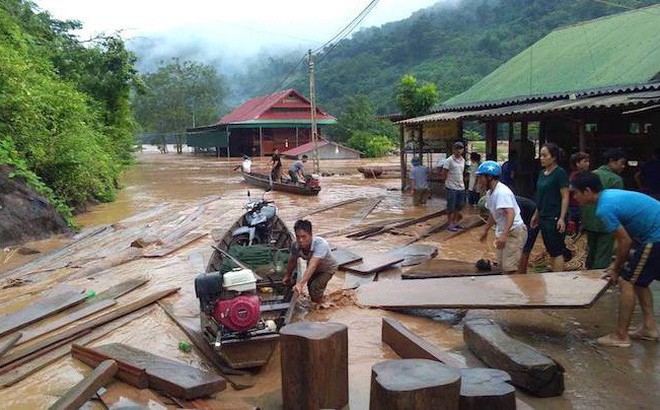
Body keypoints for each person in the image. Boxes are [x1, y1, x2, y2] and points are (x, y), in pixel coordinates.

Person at [571, 171, 660, 347]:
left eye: (576, 193)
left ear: (587, 191)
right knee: (640, 282)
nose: (575, 197)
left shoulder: (604, 209)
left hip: (655, 237)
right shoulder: (608, 197)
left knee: (626, 282)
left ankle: (621, 336)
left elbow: (624, 241)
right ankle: (649, 328)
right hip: (652, 235)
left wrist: (615, 268)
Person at [476, 161, 527, 275]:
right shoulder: (490, 193)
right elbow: (493, 214)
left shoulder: (501, 192)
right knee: (502, 267)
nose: (479, 180)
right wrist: (485, 230)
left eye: (480, 177)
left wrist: (504, 235)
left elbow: (510, 213)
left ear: (489, 177)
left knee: (510, 269)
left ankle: (514, 292)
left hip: (513, 232)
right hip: (505, 232)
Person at [581, 148, 625, 269]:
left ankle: (588, 278)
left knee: (591, 252)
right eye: (621, 163)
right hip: (606, 222)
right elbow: (617, 204)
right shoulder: (616, 180)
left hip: (589, 221)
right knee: (603, 255)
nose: (623, 166)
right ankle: (598, 282)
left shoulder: (591, 174)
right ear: (612, 161)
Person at [530, 143, 570, 272]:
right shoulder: (542, 173)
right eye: (540, 155)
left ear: (553, 157)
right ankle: (554, 275)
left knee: (556, 250)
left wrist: (562, 218)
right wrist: (536, 214)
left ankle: (558, 279)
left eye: (544, 155)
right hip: (543, 215)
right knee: (550, 248)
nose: (541, 158)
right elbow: (540, 196)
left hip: (555, 216)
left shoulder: (560, 173)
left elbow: (565, 196)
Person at [478, 194, 537, 274]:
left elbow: (514, 225)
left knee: (523, 250)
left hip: (531, 219)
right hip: (520, 220)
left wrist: (504, 235)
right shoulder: (498, 203)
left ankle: (522, 276)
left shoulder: (508, 205)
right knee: (507, 255)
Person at [283, 220, 338, 303]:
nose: (300, 240)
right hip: (314, 268)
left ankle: (322, 306)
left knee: (315, 289)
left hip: (327, 268)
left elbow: (313, 265)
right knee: (309, 286)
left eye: (304, 236)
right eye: (298, 237)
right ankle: (317, 301)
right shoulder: (295, 245)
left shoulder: (320, 244)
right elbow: (292, 261)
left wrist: (300, 284)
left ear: (311, 235)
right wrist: (288, 275)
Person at [441, 141, 466, 232]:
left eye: (460, 148)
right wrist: (445, 184)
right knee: (451, 206)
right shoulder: (449, 160)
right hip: (451, 187)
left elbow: (461, 173)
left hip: (461, 186)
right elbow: (444, 173)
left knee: (459, 206)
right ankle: (450, 223)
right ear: (453, 149)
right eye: (457, 148)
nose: (459, 150)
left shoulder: (463, 160)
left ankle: (455, 222)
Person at [568, 152, 590, 235]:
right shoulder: (576, 175)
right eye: (585, 161)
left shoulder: (583, 174)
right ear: (577, 163)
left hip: (580, 205)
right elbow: (570, 188)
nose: (587, 164)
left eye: (588, 161)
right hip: (574, 206)